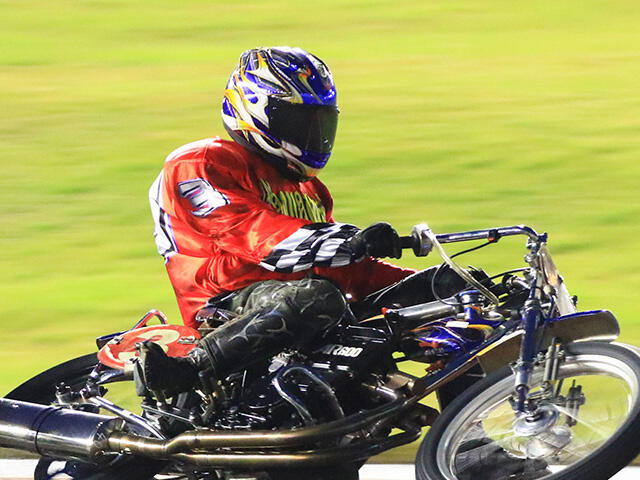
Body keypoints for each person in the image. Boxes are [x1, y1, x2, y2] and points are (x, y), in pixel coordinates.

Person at [142, 46, 466, 396]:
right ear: (254, 109)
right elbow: (256, 236)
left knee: (459, 292)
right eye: (299, 122)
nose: (312, 134)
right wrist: (350, 240)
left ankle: (465, 422)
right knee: (317, 296)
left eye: (319, 122)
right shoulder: (202, 163)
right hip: (227, 308)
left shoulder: (310, 190)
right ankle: (188, 370)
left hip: (312, 304)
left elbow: (346, 272)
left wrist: (431, 283)